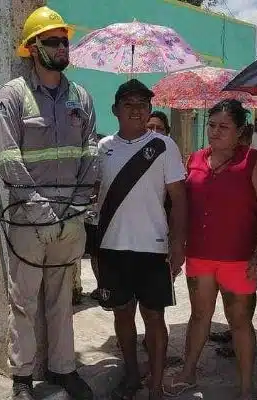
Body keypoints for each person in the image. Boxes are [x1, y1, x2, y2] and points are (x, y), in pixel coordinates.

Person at [0, 6, 96, 400]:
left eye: (64, 40)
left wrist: (76, 206)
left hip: (69, 219)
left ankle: (63, 369)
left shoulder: (81, 96)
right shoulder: (13, 96)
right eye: (52, 41)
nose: (61, 46)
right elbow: (7, 157)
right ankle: (21, 377)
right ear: (33, 49)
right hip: (28, 220)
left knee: (61, 299)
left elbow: (90, 152)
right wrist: (39, 208)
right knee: (23, 302)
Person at [164, 99, 257, 399]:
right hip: (199, 256)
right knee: (199, 316)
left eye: (224, 127)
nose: (215, 132)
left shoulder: (254, 162)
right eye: (212, 126)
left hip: (239, 259)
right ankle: (188, 372)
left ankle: (245, 388)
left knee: (239, 322)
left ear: (240, 132)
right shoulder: (196, 160)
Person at [96, 79, 187, 400]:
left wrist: (178, 244)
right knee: (122, 314)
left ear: (150, 109)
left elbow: (179, 198)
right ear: (115, 110)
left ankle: (156, 386)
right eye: (129, 104)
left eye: (143, 104)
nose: (136, 110)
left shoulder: (163, 146)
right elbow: (97, 197)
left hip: (153, 248)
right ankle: (132, 375)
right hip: (112, 247)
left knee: (154, 317)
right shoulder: (103, 147)